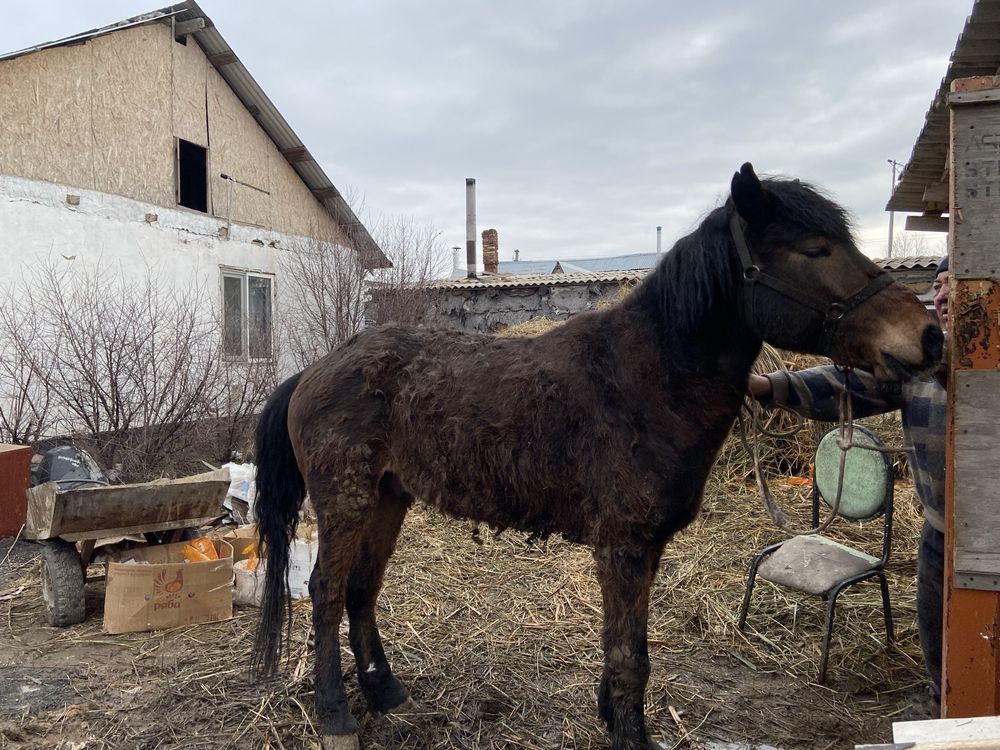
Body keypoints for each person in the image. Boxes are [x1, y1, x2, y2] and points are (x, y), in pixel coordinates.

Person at [748, 256, 950, 705]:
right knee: (943, 647)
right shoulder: (920, 364)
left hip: (987, 543)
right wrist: (767, 387)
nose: (944, 294)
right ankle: (944, 712)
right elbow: (846, 386)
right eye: (938, 284)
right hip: (940, 532)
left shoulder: (972, 364)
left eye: (959, 283)